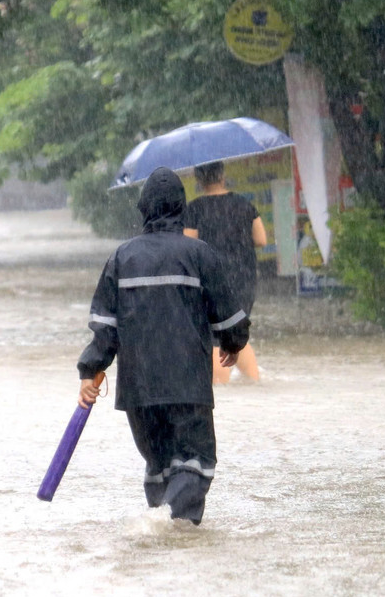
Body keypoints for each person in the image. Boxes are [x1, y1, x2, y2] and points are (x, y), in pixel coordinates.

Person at [75, 167, 249, 525]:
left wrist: (90, 371)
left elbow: (105, 327)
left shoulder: (122, 258)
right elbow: (231, 317)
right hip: (187, 384)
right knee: (195, 462)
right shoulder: (200, 255)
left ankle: (159, 535)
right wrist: (233, 342)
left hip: (139, 391)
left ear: (143, 210)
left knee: (159, 465)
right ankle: (172, 528)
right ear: (181, 208)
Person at [183, 161, 267, 382]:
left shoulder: (195, 208)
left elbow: (187, 245)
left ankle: (221, 392)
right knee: (237, 328)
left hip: (211, 278)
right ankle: (254, 383)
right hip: (244, 277)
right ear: (223, 175)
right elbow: (261, 239)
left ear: (199, 180)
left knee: (213, 335)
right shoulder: (244, 204)